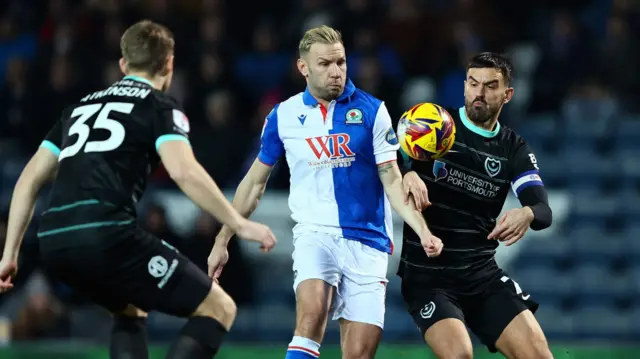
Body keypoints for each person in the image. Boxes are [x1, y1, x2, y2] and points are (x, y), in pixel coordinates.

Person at [0, 20, 276, 359]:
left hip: (54, 243)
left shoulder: (77, 110)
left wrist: (10, 253)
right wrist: (239, 222)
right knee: (218, 308)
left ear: (123, 65)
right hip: (106, 235)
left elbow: (27, 180)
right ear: (169, 64)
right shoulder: (159, 106)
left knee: (130, 307)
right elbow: (184, 172)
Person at [207, 25, 443, 359]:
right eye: (325, 64)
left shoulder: (374, 111)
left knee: (359, 354)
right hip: (314, 234)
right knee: (311, 315)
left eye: (341, 62)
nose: (336, 72)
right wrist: (222, 240)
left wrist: (422, 230)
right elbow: (254, 183)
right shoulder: (283, 116)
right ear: (303, 67)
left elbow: (391, 178)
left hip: (369, 242)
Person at [398, 52, 554, 359]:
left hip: (481, 276)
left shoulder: (513, 149)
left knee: (540, 356)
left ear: (507, 94)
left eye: (490, 86)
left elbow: (542, 209)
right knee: (459, 355)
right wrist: (407, 173)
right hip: (429, 277)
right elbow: (384, 162)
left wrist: (527, 212)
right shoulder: (434, 124)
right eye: (473, 83)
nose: (479, 93)